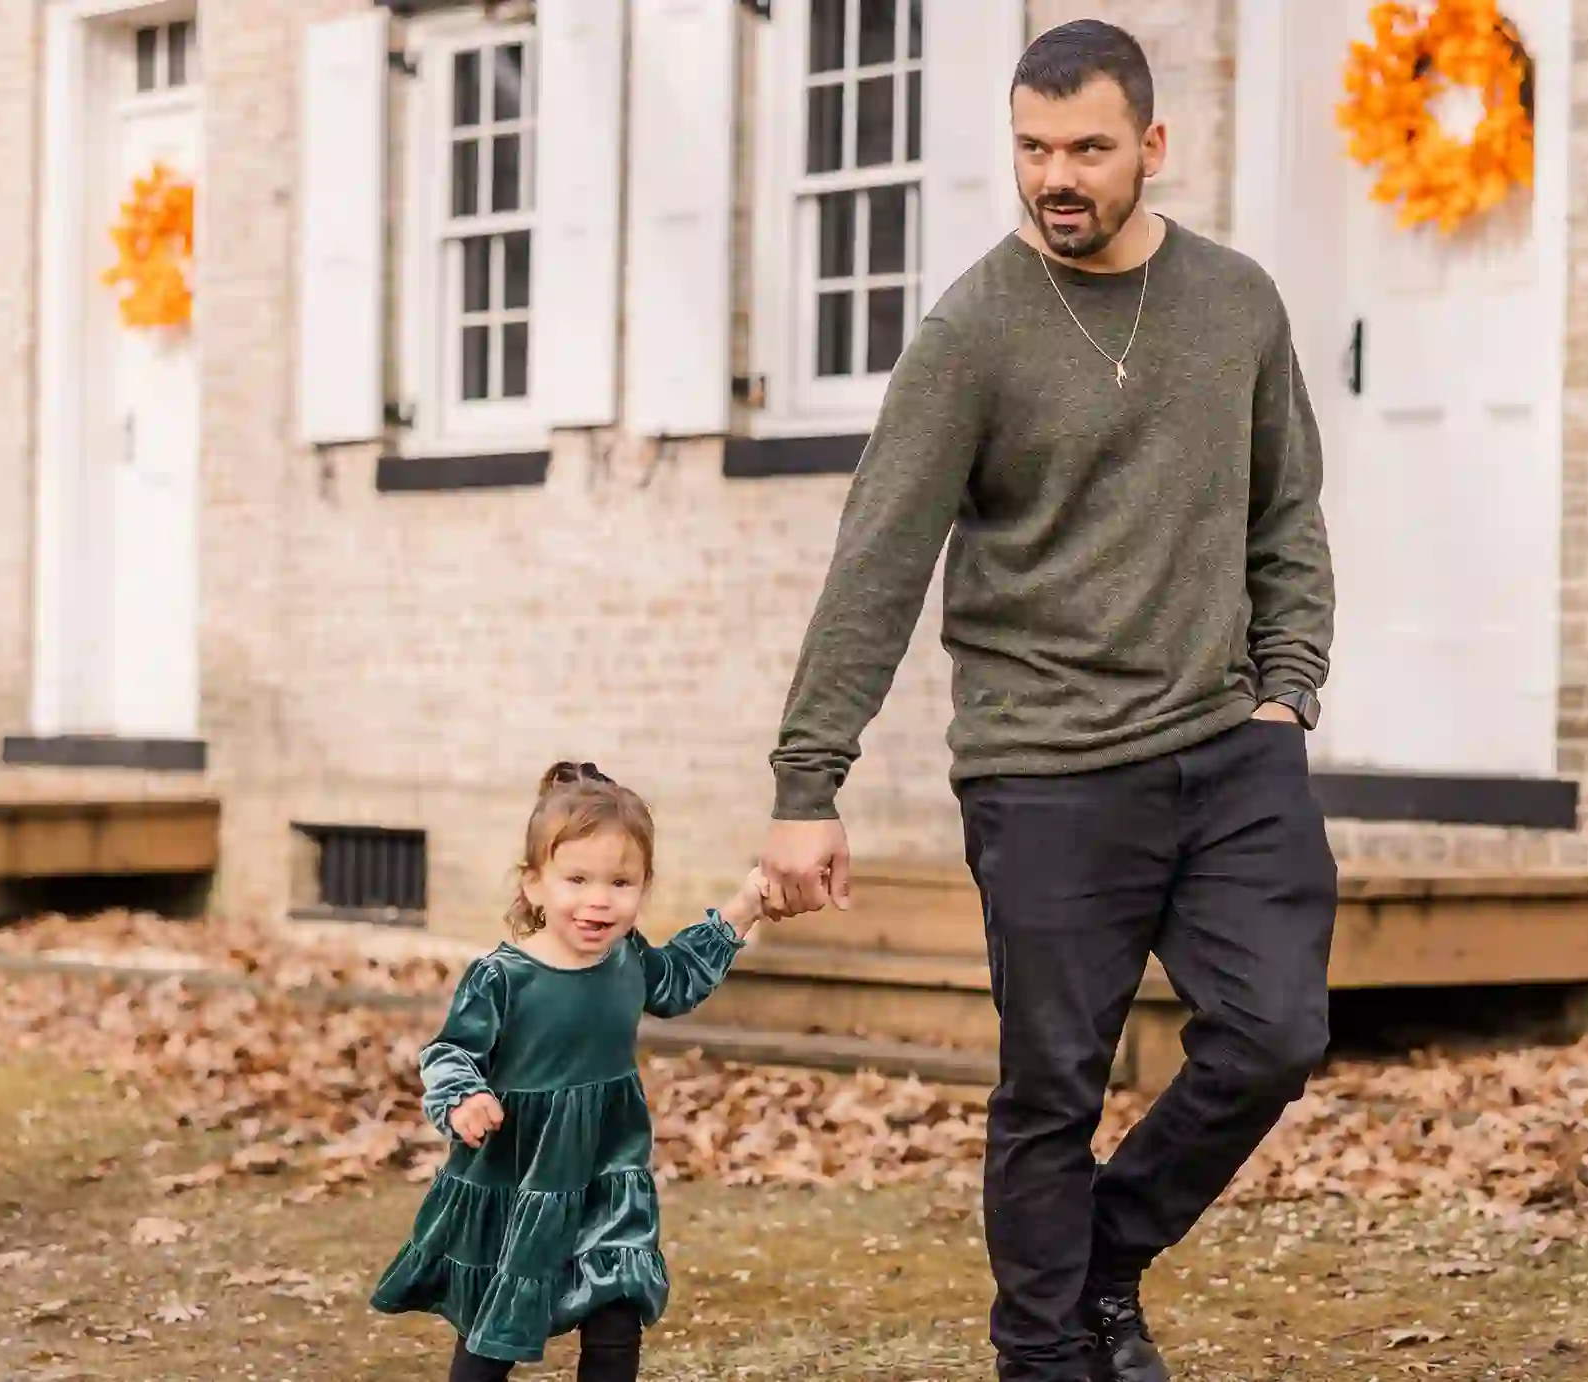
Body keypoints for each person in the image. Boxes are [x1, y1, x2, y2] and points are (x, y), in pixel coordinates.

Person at [756, 18, 1338, 1382]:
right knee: (1049, 1091)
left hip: (1226, 745)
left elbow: (1287, 511)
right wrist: (806, 780)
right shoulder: (971, 329)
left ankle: (1101, 1259)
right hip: (1046, 768)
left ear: (1151, 144)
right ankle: (1048, 1351)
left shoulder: (1238, 301)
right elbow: (877, 560)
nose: (1053, 177)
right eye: (1030, 148)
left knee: (1274, 1033)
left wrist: (1287, 689)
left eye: (1083, 147)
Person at [371, 761, 771, 1382]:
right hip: (520, 1171)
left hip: (608, 1167)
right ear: (534, 885)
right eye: (577, 878)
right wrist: (463, 1096)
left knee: (617, 1304)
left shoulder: (628, 957)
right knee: (497, 1324)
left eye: (620, 882)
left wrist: (745, 906)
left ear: (643, 887)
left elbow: (678, 980)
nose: (598, 900)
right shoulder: (504, 977)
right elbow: (451, 1050)